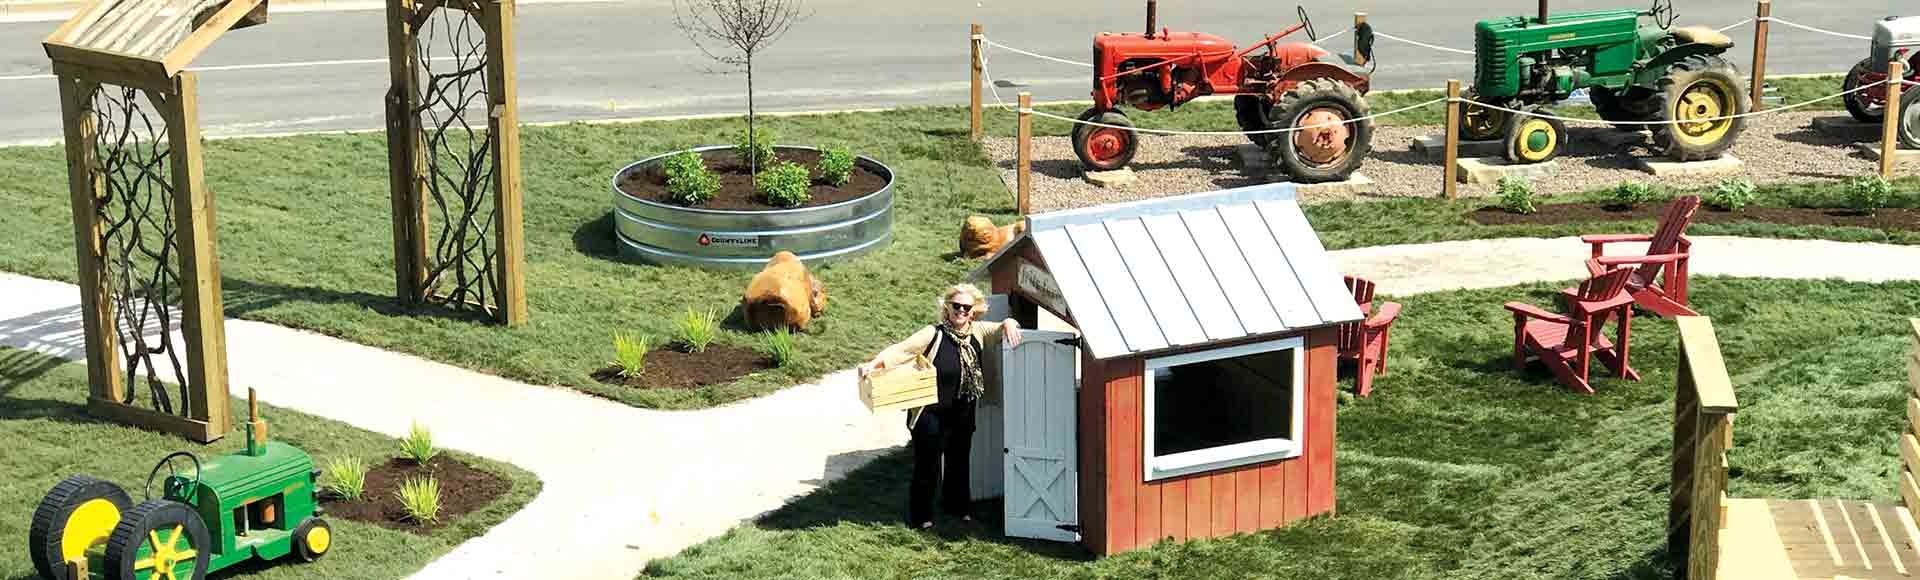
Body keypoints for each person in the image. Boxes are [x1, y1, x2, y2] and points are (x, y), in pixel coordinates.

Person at [859, 283, 1022, 529]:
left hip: (963, 412)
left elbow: (1000, 328)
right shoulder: (932, 333)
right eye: (956, 306)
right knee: (928, 464)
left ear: (973, 311)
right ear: (947, 307)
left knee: (959, 461)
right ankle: (921, 515)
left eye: (966, 308)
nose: (961, 311)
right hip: (930, 414)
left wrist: (1009, 321)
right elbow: (901, 351)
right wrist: (873, 364)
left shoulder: (978, 332)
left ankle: (958, 507)